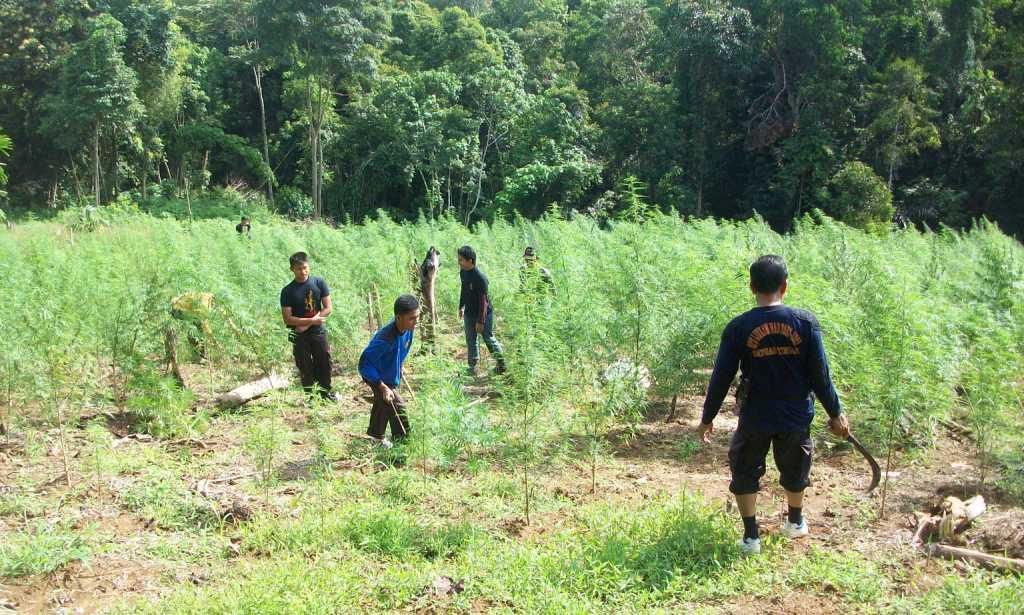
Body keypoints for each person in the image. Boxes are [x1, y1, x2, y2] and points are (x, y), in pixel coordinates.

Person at [697, 255, 849, 555]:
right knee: (795, 466)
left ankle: (751, 537)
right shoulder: (805, 323)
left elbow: (721, 377)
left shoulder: (739, 327)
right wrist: (836, 413)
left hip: (756, 414)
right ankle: (795, 521)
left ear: (752, 286)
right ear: (785, 286)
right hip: (795, 415)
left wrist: (707, 417)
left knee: (745, 470)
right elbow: (821, 375)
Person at [359, 294, 420, 448]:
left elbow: (404, 346)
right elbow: (365, 364)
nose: (416, 321)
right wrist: (382, 386)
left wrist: (399, 364)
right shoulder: (385, 339)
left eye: (417, 316)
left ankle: (376, 437)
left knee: (382, 403)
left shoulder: (408, 327)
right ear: (398, 318)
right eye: (412, 318)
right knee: (397, 405)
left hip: (388, 372)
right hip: (375, 374)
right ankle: (402, 444)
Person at [279, 252, 335, 400]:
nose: (303, 272)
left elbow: (328, 308)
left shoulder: (319, 283)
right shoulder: (287, 291)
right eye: (298, 269)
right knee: (304, 365)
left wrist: (310, 323)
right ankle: (311, 397)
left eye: (305, 268)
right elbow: (287, 319)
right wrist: (310, 322)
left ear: (308, 266)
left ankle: (325, 393)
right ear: (292, 269)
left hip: (318, 331)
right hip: (298, 334)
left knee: (324, 361)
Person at [457, 245, 506, 376]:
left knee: (488, 338)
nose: (459, 262)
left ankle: (502, 364)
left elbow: (483, 302)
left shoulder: (480, 278)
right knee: (470, 340)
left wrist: (481, 321)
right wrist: (461, 306)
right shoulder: (463, 272)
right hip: (469, 313)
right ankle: (472, 367)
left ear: (470, 261)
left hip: (483, 314)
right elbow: (464, 290)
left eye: (461, 260)